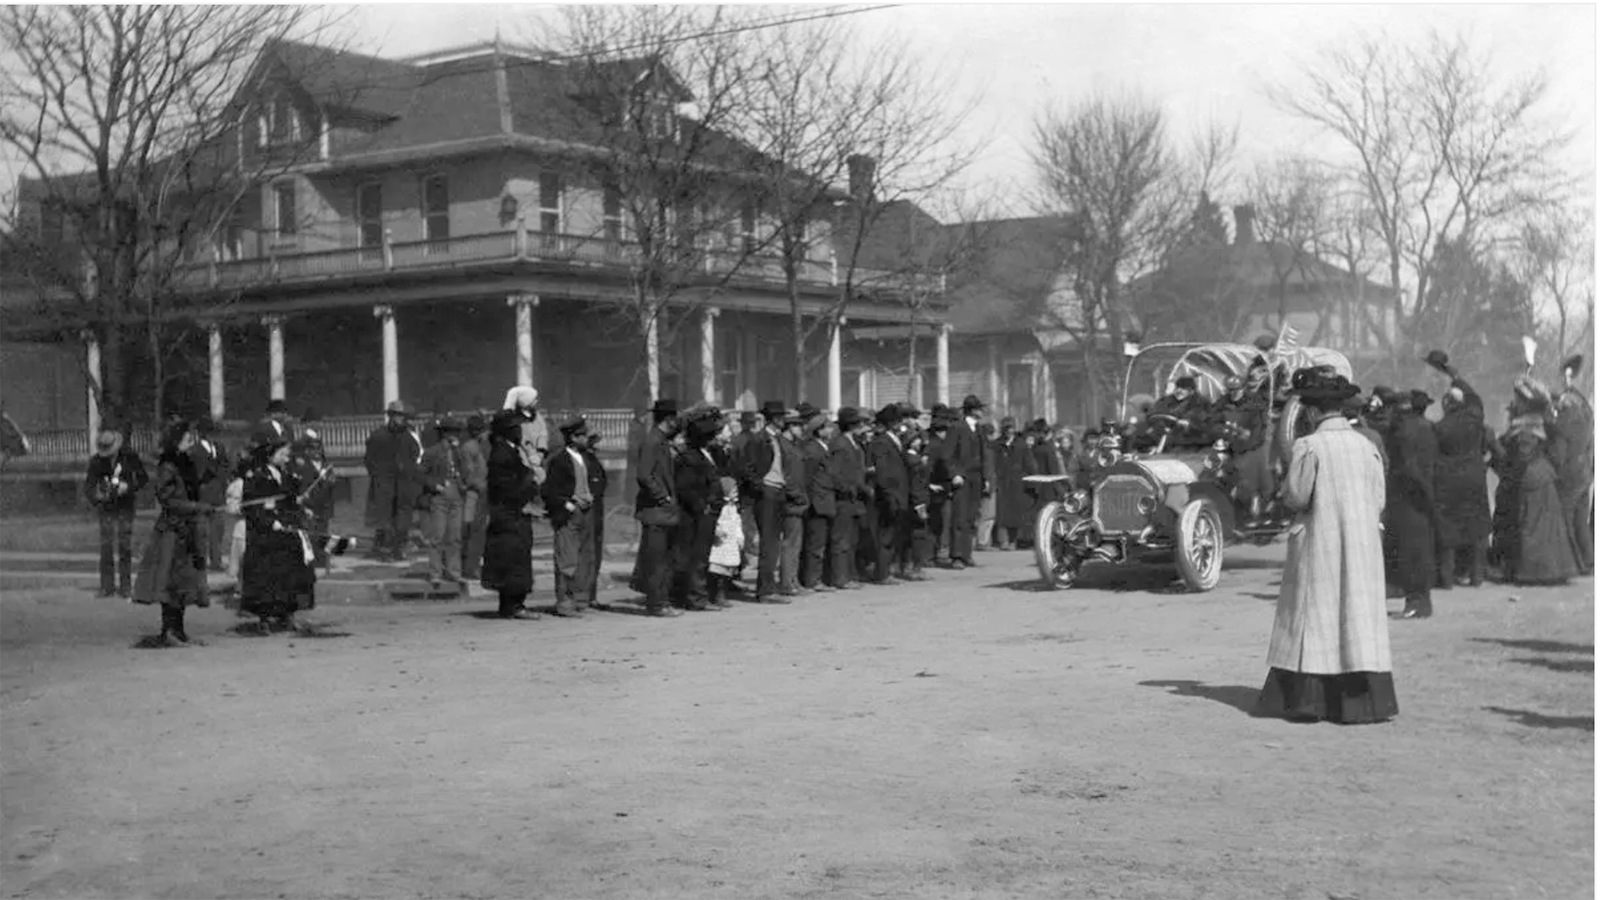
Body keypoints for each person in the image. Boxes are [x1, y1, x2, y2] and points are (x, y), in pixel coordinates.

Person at [1255, 370, 1397, 725]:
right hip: (1362, 544)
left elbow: (1298, 495)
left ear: (1314, 413)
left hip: (1321, 541)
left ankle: (1309, 702)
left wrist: (1286, 494)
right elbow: (1379, 498)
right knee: (1356, 616)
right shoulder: (1367, 447)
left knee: (1315, 616)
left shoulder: (1309, 446)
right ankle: (1361, 702)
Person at [1490, 378, 1580, 585]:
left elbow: (1520, 457)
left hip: (1532, 479)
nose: (1515, 403)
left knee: (1532, 526)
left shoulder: (1527, 428)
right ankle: (1551, 569)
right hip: (1542, 477)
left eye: (1518, 399)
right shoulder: (1539, 423)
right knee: (1544, 527)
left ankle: (1535, 572)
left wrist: (1497, 447)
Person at [131, 419, 212, 646]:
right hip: (172, 531)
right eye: (186, 438)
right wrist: (197, 508)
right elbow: (168, 500)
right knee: (170, 584)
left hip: (187, 530)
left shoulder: (186, 462)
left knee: (184, 583)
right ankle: (168, 629)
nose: (190, 441)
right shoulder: (168, 466)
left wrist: (200, 507)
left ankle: (180, 629)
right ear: (176, 441)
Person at [238, 425, 317, 632]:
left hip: (286, 532)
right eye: (282, 454)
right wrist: (269, 521)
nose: (286, 457)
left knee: (290, 574)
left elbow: (289, 501)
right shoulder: (257, 476)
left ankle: (287, 615)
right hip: (265, 535)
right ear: (270, 454)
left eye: (287, 454)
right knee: (266, 576)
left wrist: (300, 507)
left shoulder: (286, 474)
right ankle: (264, 618)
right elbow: (251, 507)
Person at [1423, 351, 1491, 588]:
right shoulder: (1475, 417)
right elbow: (1474, 398)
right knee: (1476, 529)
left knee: (1449, 531)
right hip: (1474, 477)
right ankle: (1477, 577)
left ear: (1447, 404)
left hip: (1448, 481)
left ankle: (1447, 579)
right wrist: (1455, 375)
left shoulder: (1440, 427)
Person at [482, 409, 542, 619]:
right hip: (508, 515)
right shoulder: (501, 454)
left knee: (515, 559)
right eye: (516, 427)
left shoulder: (511, 450)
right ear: (507, 431)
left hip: (512, 514)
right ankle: (512, 605)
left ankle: (513, 604)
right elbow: (506, 488)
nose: (520, 430)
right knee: (512, 560)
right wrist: (531, 484)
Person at [544, 416, 604, 617]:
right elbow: (550, 490)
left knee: (585, 557)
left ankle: (581, 599)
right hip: (569, 513)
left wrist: (593, 496)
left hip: (587, 512)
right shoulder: (559, 461)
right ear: (573, 437)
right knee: (567, 558)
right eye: (582, 435)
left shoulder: (587, 458)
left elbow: (599, 480)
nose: (586, 438)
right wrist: (568, 504)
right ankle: (564, 602)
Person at [1387, 389, 1439, 619]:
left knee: (1409, 551)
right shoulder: (1427, 427)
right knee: (1420, 549)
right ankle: (1421, 600)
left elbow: (1408, 467)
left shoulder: (1402, 431)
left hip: (1407, 497)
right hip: (1423, 496)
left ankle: (1416, 601)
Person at [671, 406, 727, 612]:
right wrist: (702, 507)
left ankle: (696, 595)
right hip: (696, 516)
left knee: (700, 556)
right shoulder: (690, 457)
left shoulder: (705, 454)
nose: (715, 438)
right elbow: (686, 488)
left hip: (707, 512)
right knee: (696, 557)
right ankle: (696, 597)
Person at [634, 398, 684, 616]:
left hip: (663, 513)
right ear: (669, 419)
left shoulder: (661, 440)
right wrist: (662, 497)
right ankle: (656, 603)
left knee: (664, 559)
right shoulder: (653, 441)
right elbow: (644, 475)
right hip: (655, 511)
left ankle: (661, 600)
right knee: (656, 560)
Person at [85, 428, 148, 598]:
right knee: (106, 547)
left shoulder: (130, 457)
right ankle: (107, 586)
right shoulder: (96, 462)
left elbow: (143, 479)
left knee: (124, 545)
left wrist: (128, 487)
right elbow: (88, 486)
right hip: (106, 507)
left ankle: (126, 585)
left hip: (125, 505)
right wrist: (97, 496)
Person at [742, 400, 794, 603]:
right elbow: (747, 468)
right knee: (769, 543)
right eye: (780, 417)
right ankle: (765, 590)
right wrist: (761, 486)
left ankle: (768, 586)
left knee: (774, 541)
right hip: (767, 493)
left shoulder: (778, 439)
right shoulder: (759, 440)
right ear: (773, 419)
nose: (783, 420)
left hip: (778, 491)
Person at [364, 400, 424, 562]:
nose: (402, 420)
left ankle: (398, 549)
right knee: (385, 520)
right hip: (385, 486)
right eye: (399, 416)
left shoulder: (408, 437)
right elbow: (369, 461)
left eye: (404, 417)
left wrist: (408, 470)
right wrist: (380, 477)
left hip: (404, 486)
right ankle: (386, 551)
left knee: (403, 520)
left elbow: (415, 454)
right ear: (390, 416)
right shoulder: (378, 436)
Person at [1211, 375, 1272, 525]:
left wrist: (1248, 439)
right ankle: (1236, 515)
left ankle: (1261, 512)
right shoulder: (1222, 403)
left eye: (1236, 390)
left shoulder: (1255, 403)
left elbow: (1260, 428)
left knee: (1258, 481)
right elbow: (1213, 423)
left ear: (1243, 388)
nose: (1233, 393)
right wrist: (1226, 431)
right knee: (1231, 479)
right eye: (1230, 390)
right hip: (1231, 446)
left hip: (1253, 447)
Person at [419, 417, 471, 591]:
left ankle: (454, 572)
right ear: (443, 434)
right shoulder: (432, 452)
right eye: (450, 432)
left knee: (455, 537)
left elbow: (465, 471)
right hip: (440, 497)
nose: (453, 435)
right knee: (438, 536)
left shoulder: (459, 452)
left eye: (455, 432)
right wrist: (435, 485)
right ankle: (435, 573)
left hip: (457, 495)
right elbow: (421, 475)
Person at [1553, 354, 1593, 574]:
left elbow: (1561, 444)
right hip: (1585, 470)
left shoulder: (1567, 409)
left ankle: (1574, 562)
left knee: (1566, 517)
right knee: (1580, 519)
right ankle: (1589, 560)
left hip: (1571, 472)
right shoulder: (1584, 406)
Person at [866, 404, 912, 583]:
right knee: (885, 535)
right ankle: (882, 572)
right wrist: (889, 495)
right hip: (888, 496)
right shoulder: (881, 442)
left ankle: (888, 569)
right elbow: (883, 473)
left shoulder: (894, 441)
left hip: (898, 494)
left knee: (893, 534)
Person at [827, 407, 870, 590]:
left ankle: (849, 574)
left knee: (852, 539)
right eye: (860, 423)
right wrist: (850, 488)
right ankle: (840, 577)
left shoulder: (855, 444)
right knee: (841, 540)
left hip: (855, 499)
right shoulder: (840, 444)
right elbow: (836, 474)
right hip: (844, 499)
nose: (863, 426)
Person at [290, 428, 338, 572]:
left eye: (319, 449)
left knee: (323, 532)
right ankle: (310, 560)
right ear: (307, 451)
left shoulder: (326, 465)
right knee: (311, 533)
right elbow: (301, 488)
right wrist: (305, 506)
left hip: (324, 505)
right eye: (313, 449)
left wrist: (330, 480)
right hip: (310, 505)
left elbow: (332, 486)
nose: (317, 452)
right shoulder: (303, 467)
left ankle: (322, 559)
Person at [947, 395, 986, 567]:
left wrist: (986, 478)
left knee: (971, 517)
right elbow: (947, 454)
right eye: (979, 408)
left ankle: (967, 553)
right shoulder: (956, 427)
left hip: (976, 477)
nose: (982, 411)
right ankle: (956, 555)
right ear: (972, 410)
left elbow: (985, 455)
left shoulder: (979, 429)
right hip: (962, 477)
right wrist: (954, 473)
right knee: (960, 517)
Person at [778, 405, 812, 595]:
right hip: (790, 500)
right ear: (790, 427)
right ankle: (787, 583)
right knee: (790, 543)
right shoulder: (783, 445)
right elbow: (786, 475)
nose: (802, 430)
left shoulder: (793, 446)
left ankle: (792, 579)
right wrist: (795, 494)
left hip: (798, 498)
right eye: (799, 426)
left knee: (795, 543)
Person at [191, 416, 231, 572]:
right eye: (208, 432)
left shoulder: (219, 448)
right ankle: (200, 562)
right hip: (203, 493)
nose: (211, 436)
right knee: (201, 531)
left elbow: (227, 466)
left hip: (218, 493)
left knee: (218, 529)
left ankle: (216, 561)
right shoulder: (195, 450)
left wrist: (223, 480)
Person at [990, 417, 1032, 550]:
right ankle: (1003, 541)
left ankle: (1013, 541)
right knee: (1001, 513)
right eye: (1006, 429)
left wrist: (1028, 479)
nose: (1009, 431)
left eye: (1011, 428)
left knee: (1015, 514)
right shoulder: (997, 444)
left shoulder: (1021, 445)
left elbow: (1029, 464)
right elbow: (992, 462)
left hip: (1017, 482)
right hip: (1002, 482)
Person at [459, 414, 490, 581]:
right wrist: (481, 487)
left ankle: (475, 565)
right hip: (475, 493)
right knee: (473, 530)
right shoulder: (469, 448)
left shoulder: (484, 445)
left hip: (484, 491)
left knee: (480, 531)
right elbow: (469, 474)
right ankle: (471, 567)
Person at [501, 386, 550, 484]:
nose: (536, 401)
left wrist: (540, 454)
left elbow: (543, 435)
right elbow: (521, 437)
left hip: (537, 461)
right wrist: (531, 453)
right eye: (533, 399)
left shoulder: (538, 417)